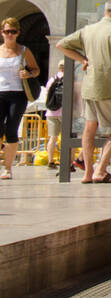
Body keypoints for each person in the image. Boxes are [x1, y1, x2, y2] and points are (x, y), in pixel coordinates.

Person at [57, 1, 111, 184]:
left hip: (90, 86)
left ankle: (88, 173)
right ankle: (101, 170)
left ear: (106, 12)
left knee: (89, 129)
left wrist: (82, 59)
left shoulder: (87, 30)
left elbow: (61, 45)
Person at [0, 17, 40, 178]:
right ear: (2, 32)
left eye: (13, 32)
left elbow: (36, 70)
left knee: (11, 129)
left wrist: (29, 73)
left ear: (18, 33)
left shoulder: (24, 51)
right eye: (7, 31)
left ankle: (8, 168)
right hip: (0, 93)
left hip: (18, 94)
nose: (9, 35)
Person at [38, 60, 65, 169]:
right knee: (66, 137)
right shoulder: (70, 78)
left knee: (52, 138)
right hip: (65, 112)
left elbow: (47, 94)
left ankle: (50, 160)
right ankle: (66, 161)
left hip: (51, 112)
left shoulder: (51, 80)